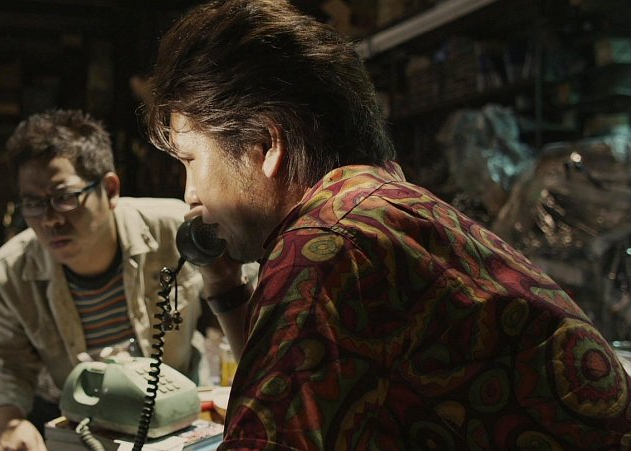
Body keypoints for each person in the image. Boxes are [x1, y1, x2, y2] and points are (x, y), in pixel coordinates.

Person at [144, 1, 631, 449]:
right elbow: (284, 393)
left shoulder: (327, 244)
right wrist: (224, 285)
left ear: (267, 146)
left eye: (190, 160)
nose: (190, 194)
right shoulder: (381, 208)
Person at [0, 109, 210, 450]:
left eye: (64, 198)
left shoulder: (175, 231)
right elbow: (5, 366)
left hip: (172, 400)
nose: (50, 220)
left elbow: (247, 300)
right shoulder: (9, 271)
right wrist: (7, 422)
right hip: (68, 405)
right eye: (33, 203)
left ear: (110, 189)